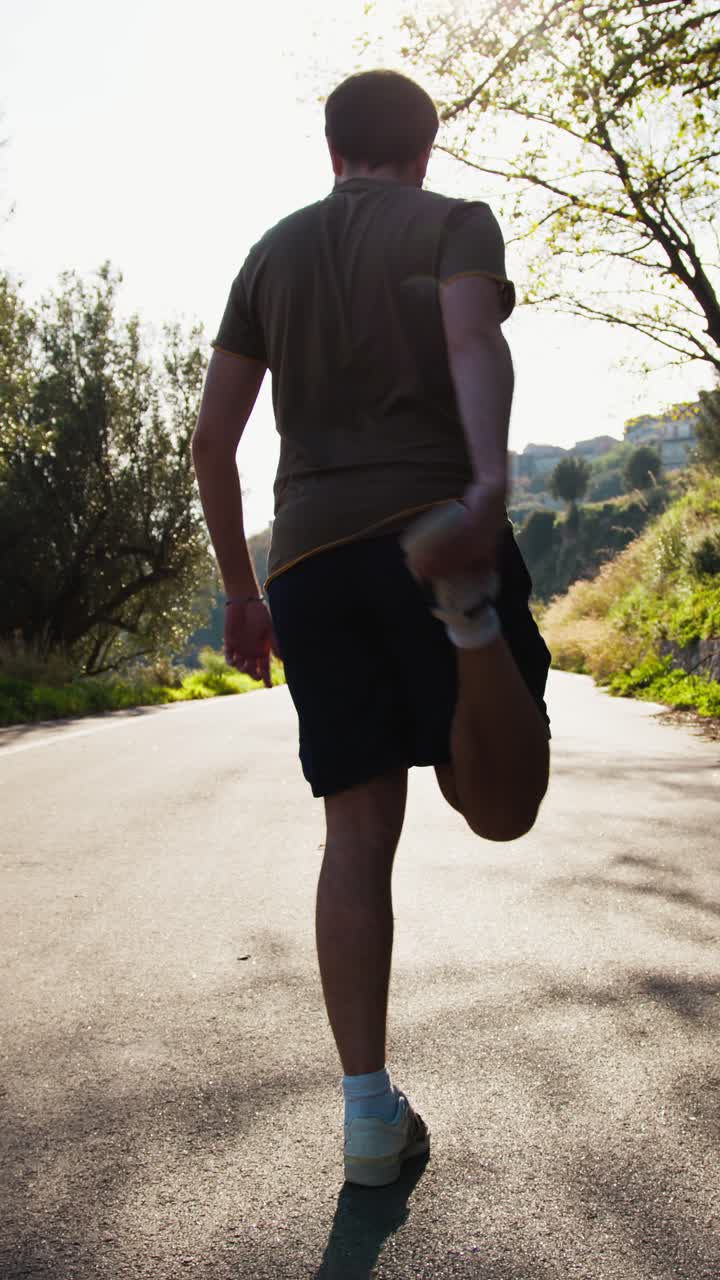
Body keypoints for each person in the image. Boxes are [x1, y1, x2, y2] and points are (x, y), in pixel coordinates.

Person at [191, 69, 551, 1188]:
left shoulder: (271, 252)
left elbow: (211, 442)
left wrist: (245, 592)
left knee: (356, 836)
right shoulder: (454, 223)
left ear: (333, 151)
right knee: (501, 804)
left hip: (307, 560)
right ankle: (469, 613)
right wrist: (487, 485)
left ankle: (365, 1119)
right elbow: (470, 345)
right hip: (427, 521)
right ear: (424, 150)